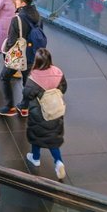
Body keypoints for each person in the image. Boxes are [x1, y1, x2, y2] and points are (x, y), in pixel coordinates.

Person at [22, 48, 68, 180]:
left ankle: (35, 158)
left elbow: (27, 94)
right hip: (55, 110)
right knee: (52, 138)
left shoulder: (34, 77)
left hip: (39, 113)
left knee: (36, 135)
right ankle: (58, 161)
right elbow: (64, 88)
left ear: (37, 61)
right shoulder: (58, 72)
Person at [0, 0, 43, 117]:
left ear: (22, 3)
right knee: (26, 81)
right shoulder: (38, 15)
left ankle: (9, 107)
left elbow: (11, 41)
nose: (15, 1)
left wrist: (6, 51)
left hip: (19, 55)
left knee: (4, 76)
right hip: (33, 54)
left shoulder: (17, 19)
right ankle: (24, 107)